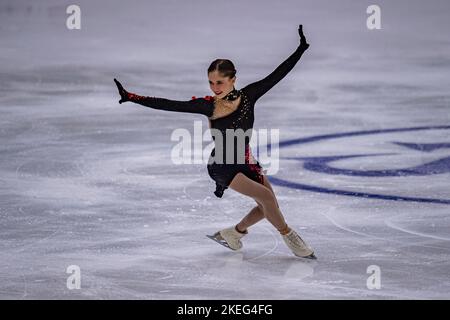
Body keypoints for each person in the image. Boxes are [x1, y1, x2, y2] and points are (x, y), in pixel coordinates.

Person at [114, 24, 315, 259]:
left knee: (268, 205)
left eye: (219, 82)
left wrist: (301, 49)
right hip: (222, 166)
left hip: (247, 161)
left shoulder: (249, 96)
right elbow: (170, 104)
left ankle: (234, 233)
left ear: (233, 80)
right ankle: (291, 238)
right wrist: (132, 97)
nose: (214, 87)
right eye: (211, 82)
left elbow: (277, 75)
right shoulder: (208, 106)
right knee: (268, 199)